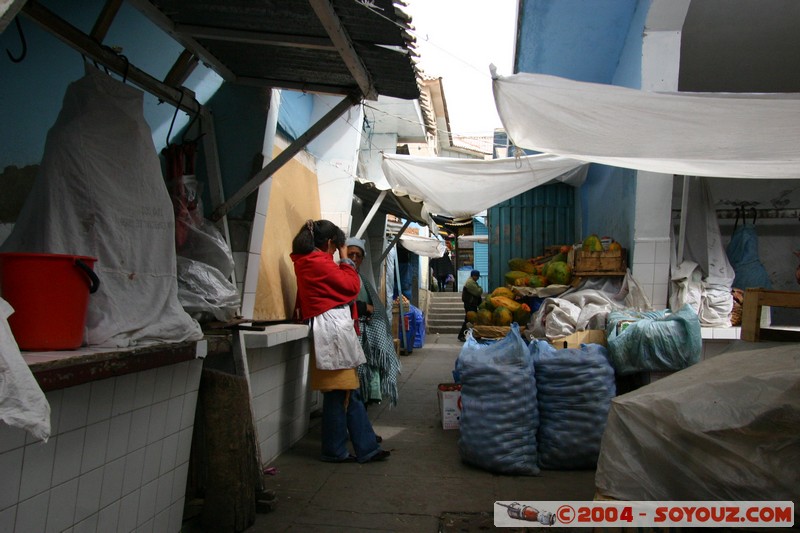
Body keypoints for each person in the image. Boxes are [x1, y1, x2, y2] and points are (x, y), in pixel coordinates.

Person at [290, 219, 390, 463]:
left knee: (341, 394)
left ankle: (346, 449)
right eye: (336, 248)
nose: (337, 253)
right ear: (329, 243)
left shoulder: (308, 261)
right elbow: (351, 286)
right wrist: (345, 260)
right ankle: (355, 449)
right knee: (346, 393)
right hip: (332, 332)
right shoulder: (317, 262)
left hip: (331, 331)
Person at [345, 237, 401, 408]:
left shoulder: (362, 279)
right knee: (354, 384)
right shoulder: (343, 277)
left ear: (362, 258)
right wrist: (364, 308)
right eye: (350, 254)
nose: (354, 258)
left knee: (364, 382)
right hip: (350, 335)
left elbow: (376, 307)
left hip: (365, 335)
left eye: (358, 255)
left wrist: (370, 310)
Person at [458, 269, 483, 342]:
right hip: (470, 304)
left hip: (472, 304)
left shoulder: (473, 282)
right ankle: (461, 335)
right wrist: (480, 288)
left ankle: (472, 335)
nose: (478, 278)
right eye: (477, 276)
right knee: (468, 320)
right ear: (473, 276)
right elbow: (478, 292)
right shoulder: (470, 283)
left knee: (471, 320)